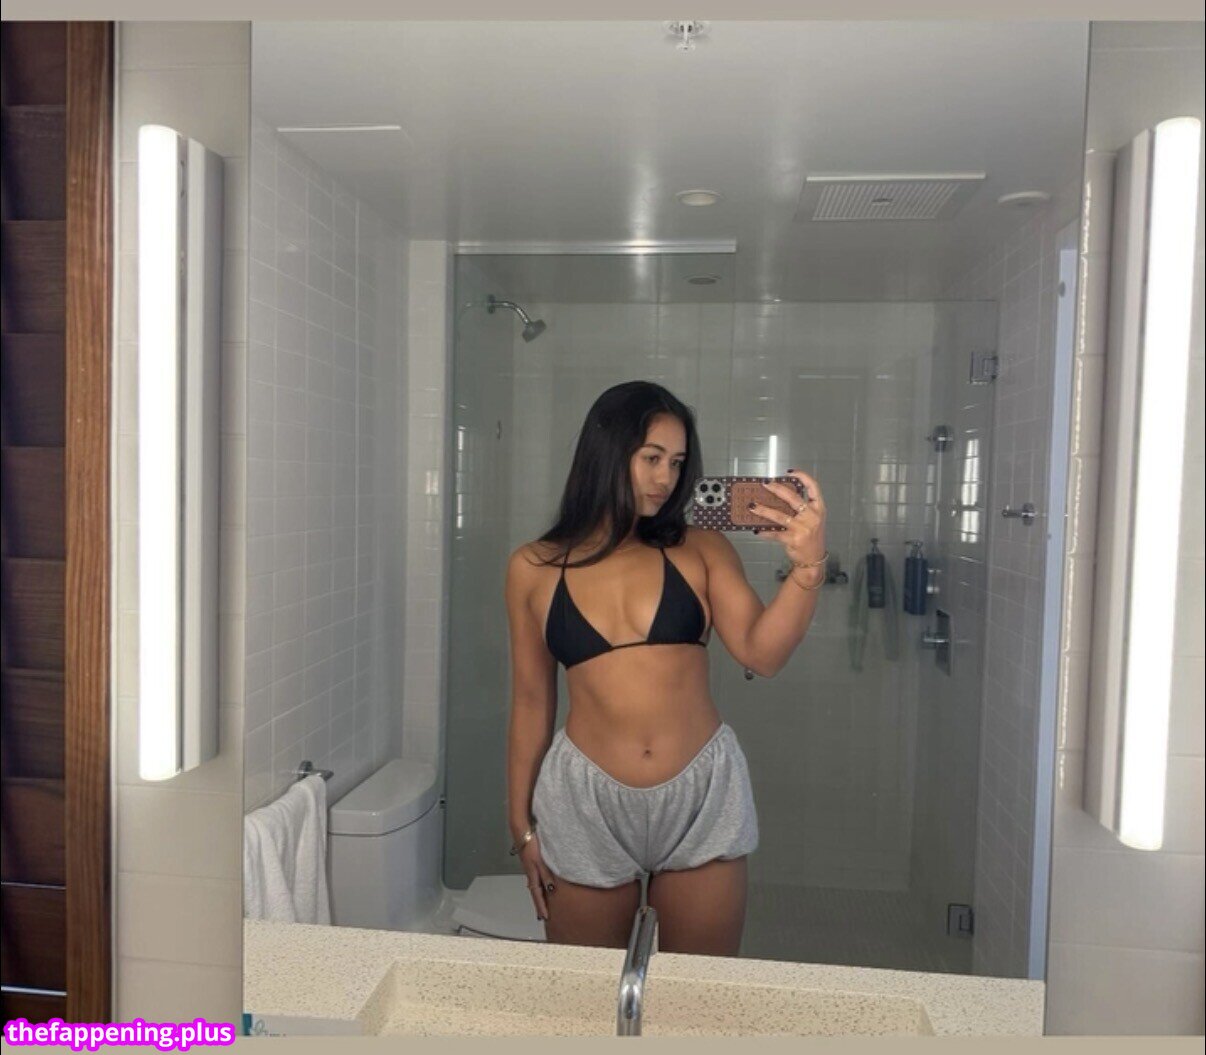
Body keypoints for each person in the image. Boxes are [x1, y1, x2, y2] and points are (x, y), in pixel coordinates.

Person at [504, 380, 827, 956]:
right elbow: (532, 701)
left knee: (699, 993)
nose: (666, 478)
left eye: (677, 463)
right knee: (586, 994)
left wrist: (808, 567)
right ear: (607, 453)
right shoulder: (533, 566)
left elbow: (763, 653)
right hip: (583, 800)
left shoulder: (701, 548)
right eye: (651, 458)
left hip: (702, 794)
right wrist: (521, 826)